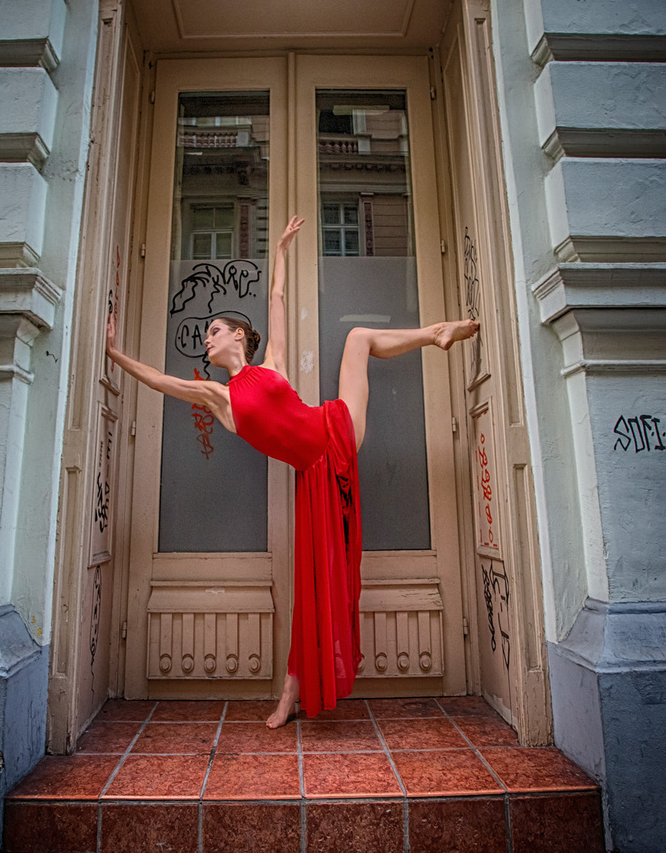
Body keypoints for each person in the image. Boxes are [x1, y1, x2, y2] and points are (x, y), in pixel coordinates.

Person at [105, 216, 479, 728]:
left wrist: (279, 248)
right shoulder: (220, 398)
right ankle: (290, 693)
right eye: (206, 335)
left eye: (213, 331)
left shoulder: (273, 366)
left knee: (358, 338)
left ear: (238, 335)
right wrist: (113, 354)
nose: (206, 340)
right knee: (313, 590)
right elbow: (160, 381)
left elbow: (276, 298)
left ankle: (435, 333)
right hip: (315, 474)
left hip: (335, 429)